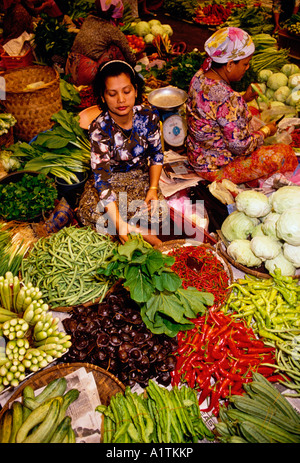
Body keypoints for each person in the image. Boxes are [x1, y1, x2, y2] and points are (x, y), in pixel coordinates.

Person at [186, 27, 298, 185]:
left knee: (250, 111)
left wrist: (243, 98)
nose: (247, 68)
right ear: (230, 64)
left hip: (197, 155)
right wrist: (266, 132)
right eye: (245, 64)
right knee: (282, 153)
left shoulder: (199, 76)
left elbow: (213, 107)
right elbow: (240, 147)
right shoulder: (229, 98)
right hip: (215, 169)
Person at [77, 60, 167, 246]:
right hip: (111, 182)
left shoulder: (149, 116)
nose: (121, 99)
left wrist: (152, 188)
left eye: (126, 91)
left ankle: (130, 230)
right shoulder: (98, 128)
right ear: (103, 97)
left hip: (139, 178)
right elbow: (101, 180)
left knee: (158, 210)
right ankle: (134, 230)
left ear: (135, 90)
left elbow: (156, 155)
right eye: (112, 93)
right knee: (87, 212)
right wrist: (119, 224)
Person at [65, 0, 136, 86]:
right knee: (115, 49)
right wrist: (133, 68)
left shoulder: (89, 19)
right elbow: (128, 55)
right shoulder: (111, 29)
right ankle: (111, 81)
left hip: (70, 68)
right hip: (85, 74)